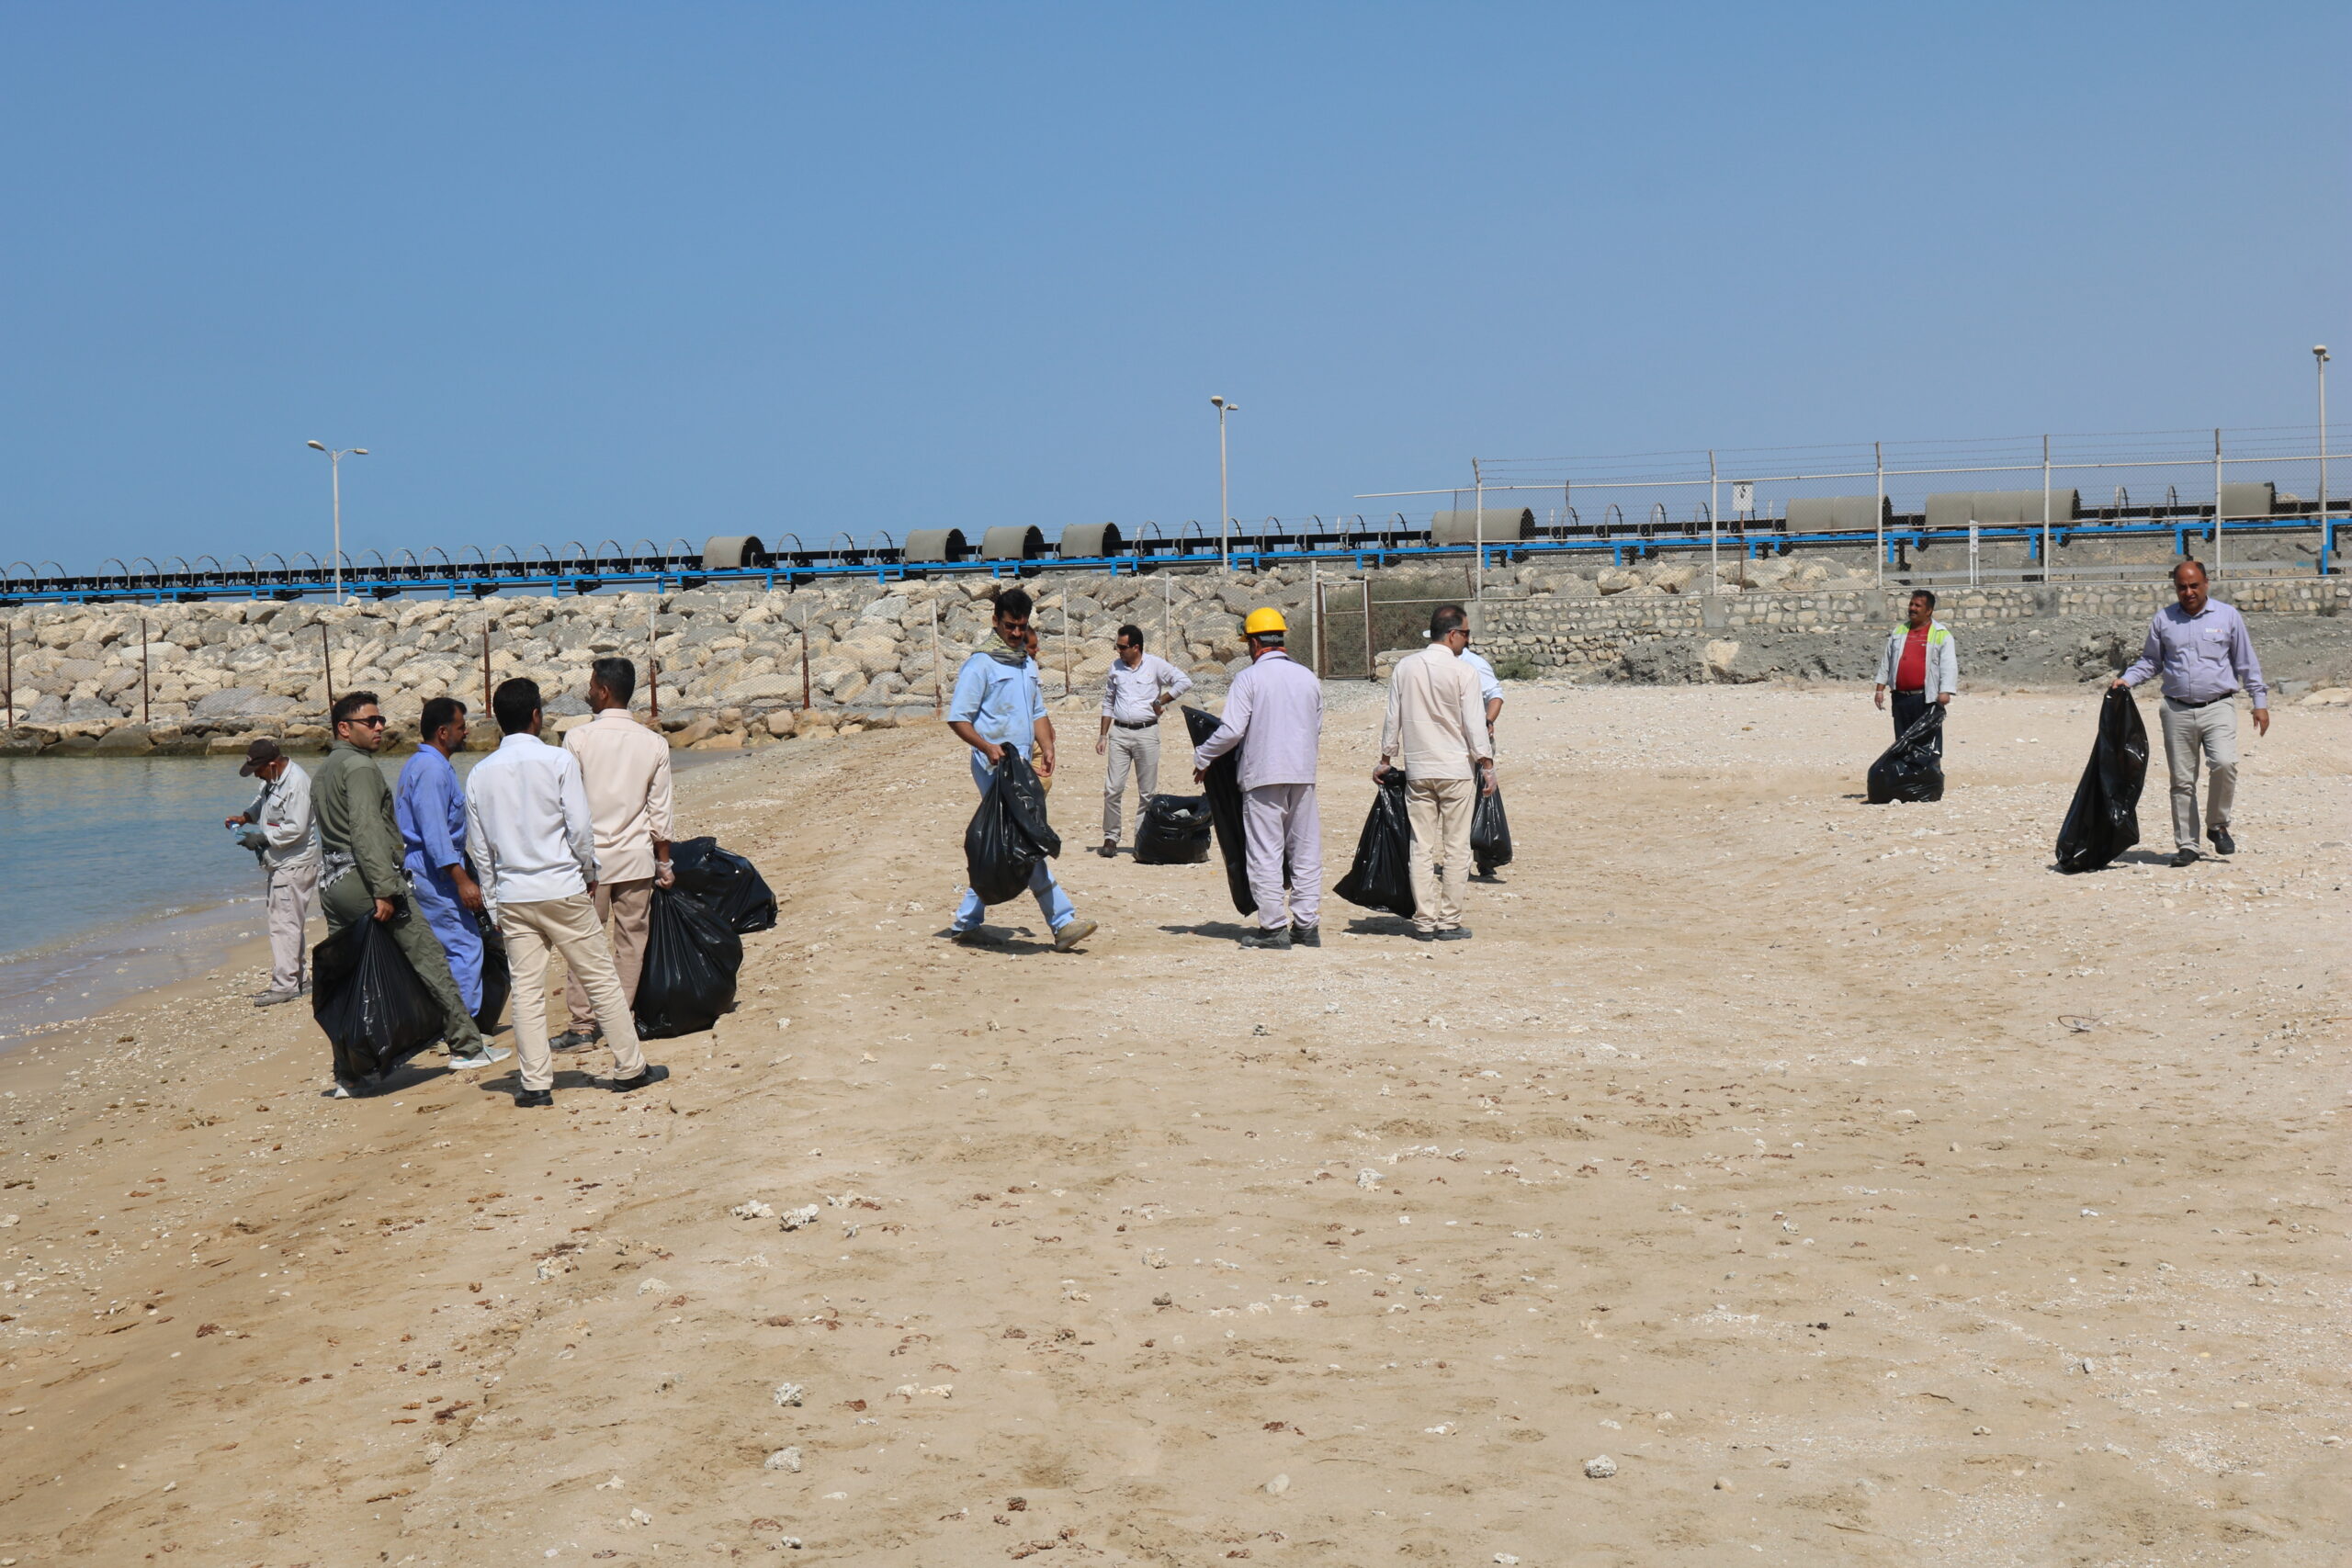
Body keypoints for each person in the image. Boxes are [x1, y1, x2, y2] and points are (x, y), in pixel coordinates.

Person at [465, 678, 667, 1108]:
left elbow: (479, 849)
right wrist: (589, 870)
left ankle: (535, 1083)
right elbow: (579, 826)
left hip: (514, 893)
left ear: (499, 721)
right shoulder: (557, 760)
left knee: (527, 991)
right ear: (536, 715)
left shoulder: (480, 773)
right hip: (561, 885)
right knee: (600, 978)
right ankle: (630, 1067)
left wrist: (494, 902)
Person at [311, 692, 505, 1092]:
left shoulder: (325, 769)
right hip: (368, 881)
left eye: (380, 719)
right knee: (430, 959)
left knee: (348, 980)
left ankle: (349, 1073)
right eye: (370, 721)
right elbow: (367, 831)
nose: (380, 726)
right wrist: (385, 889)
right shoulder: (359, 767)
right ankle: (467, 1046)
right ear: (344, 728)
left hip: (333, 883)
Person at [944, 587, 1097, 951]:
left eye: (1021, 627)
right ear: (995, 621)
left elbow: (1037, 711)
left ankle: (966, 922)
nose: (1015, 633)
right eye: (1010, 626)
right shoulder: (980, 665)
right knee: (1027, 839)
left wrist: (1048, 746)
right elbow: (958, 718)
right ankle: (1062, 922)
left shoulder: (1026, 663)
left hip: (1023, 767)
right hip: (994, 768)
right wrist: (987, 747)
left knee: (1009, 841)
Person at [2112, 559, 2269, 867]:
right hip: (2176, 710)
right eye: (2182, 587)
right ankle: (2187, 845)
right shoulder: (2164, 619)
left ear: (2206, 583)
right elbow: (2151, 661)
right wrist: (2126, 679)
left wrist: (2259, 701)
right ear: (2175, 588)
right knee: (2182, 781)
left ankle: (2217, 825)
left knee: (2225, 763)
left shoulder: (2228, 616)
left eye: (2194, 585)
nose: (2189, 592)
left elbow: (2246, 663)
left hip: (2219, 706)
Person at [556, 658, 675, 1051]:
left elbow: (567, 806)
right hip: (636, 858)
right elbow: (660, 812)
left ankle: (583, 1025)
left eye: (592, 686)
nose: (588, 692)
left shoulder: (577, 739)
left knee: (584, 943)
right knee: (631, 943)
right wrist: (664, 862)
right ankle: (618, 1021)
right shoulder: (654, 743)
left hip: (590, 862)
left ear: (604, 691)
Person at [1192, 607, 1323, 950]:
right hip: (1303, 774)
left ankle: (1274, 928)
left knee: (1266, 851)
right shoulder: (1308, 678)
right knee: (1305, 851)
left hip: (1263, 775)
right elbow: (1316, 727)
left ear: (1253, 643)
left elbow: (1232, 730)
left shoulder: (1249, 679)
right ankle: (1307, 926)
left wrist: (1203, 756)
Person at [1377, 604, 1497, 942]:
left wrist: (1385, 759)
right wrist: (1487, 765)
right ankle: (1449, 921)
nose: (1467, 640)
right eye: (1466, 634)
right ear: (1453, 634)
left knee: (1421, 845)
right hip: (1456, 770)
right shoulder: (1464, 672)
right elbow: (1474, 724)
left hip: (1419, 768)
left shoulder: (1405, 667)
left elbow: (1392, 718)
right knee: (1456, 847)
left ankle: (1424, 921)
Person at [394, 696, 488, 1020]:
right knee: (465, 946)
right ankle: (464, 1029)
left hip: (427, 866)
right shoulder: (432, 770)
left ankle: (442, 1022)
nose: (467, 732)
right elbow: (435, 834)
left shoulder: (420, 764)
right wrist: (462, 880)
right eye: (461, 727)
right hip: (436, 870)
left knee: (442, 947)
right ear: (443, 732)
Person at [225, 737, 320, 1007]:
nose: (256, 775)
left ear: (272, 764)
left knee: (283, 925)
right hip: (284, 864)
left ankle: (285, 986)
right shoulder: (273, 779)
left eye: (258, 770)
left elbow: (296, 828)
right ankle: (298, 978)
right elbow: (263, 802)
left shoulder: (297, 783)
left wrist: (262, 838)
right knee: (290, 922)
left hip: (294, 864)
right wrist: (245, 818)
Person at [1095, 623, 1193, 857]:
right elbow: (1108, 701)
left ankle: (1141, 838)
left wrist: (1162, 700)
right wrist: (1103, 735)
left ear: (1136, 647)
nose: (1118, 651)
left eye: (1122, 647)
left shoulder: (1155, 665)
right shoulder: (1115, 667)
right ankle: (1111, 837)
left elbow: (1184, 681)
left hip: (1147, 733)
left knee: (1147, 792)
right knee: (1112, 789)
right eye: (1117, 646)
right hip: (1120, 733)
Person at [1873, 589, 1958, 751]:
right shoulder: (1899, 631)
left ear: (1929, 611)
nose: (1912, 608)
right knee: (1902, 743)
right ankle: (1905, 768)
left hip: (1925, 699)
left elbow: (1949, 665)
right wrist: (1879, 689)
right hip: (1900, 699)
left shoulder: (1941, 634)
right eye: (1911, 604)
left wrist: (1945, 691)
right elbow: (1887, 662)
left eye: (1918, 605)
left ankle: (1926, 769)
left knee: (1926, 744)